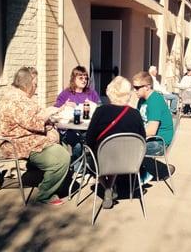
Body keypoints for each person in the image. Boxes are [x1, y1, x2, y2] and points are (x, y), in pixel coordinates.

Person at [0, 66, 70, 206]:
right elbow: (33, 122)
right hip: (19, 143)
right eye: (35, 84)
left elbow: (36, 115)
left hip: (28, 138)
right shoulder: (17, 101)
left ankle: (46, 177)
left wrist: (50, 118)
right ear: (27, 84)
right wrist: (50, 114)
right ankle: (45, 194)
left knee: (61, 147)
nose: (36, 88)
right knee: (62, 157)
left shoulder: (21, 97)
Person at [86, 76, 146, 209]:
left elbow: (89, 139)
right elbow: (142, 139)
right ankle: (110, 187)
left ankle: (107, 188)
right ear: (128, 94)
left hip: (104, 161)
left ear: (110, 92)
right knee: (116, 154)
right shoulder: (135, 114)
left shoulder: (100, 111)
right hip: (129, 162)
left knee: (94, 156)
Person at [132, 71, 174, 183]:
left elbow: (151, 131)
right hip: (149, 139)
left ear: (147, 87)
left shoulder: (155, 100)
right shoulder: (142, 100)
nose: (134, 90)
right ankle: (131, 177)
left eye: (136, 87)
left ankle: (141, 177)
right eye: (133, 87)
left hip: (159, 142)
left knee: (127, 148)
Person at [55, 65, 101, 157]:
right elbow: (56, 110)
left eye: (86, 78)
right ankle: (77, 169)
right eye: (81, 78)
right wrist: (64, 106)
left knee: (97, 142)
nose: (84, 80)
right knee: (78, 145)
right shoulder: (66, 94)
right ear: (74, 79)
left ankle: (89, 167)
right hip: (69, 129)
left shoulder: (91, 93)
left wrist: (92, 104)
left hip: (87, 129)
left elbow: (100, 108)